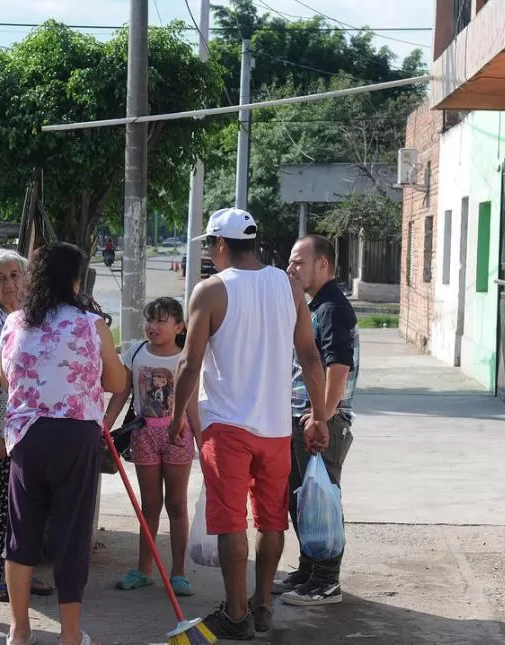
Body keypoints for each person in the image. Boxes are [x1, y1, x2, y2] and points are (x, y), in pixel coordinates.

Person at [168, 207, 329, 639]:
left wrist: (176, 417)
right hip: (276, 427)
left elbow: (189, 363)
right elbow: (310, 356)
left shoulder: (211, 291)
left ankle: (236, 614)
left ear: (221, 244)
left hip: (227, 427)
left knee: (232, 524)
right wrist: (318, 415)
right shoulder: (289, 286)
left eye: (210, 245)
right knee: (273, 520)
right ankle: (262, 607)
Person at [0, 242, 126, 645]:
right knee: (72, 535)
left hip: (26, 436)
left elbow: (8, 376)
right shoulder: (91, 324)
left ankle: (19, 632)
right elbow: (117, 383)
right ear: (76, 281)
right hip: (74, 435)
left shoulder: (15, 322)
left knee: (22, 533)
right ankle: (70, 636)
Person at [0, 248, 53, 602]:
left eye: (15, 276)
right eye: (0, 278)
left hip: (25, 429)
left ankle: (17, 573)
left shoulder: (24, 317)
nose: (10, 284)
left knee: (23, 506)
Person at [278, 234, 359, 607]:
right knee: (304, 498)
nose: (291, 268)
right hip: (308, 417)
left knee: (321, 500)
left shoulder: (331, 308)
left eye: (299, 262)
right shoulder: (317, 305)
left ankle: (327, 580)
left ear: (322, 265)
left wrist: (320, 418)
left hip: (323, 420)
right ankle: (309, 570)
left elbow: (338, 369)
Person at [104, 297, 201, 597]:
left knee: (177, 504)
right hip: (143, 436)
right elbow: (121, 393)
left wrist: (202, 440)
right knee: (149, 506)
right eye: (150, 320)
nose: (153, 326)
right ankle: (143, 570)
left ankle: (179, 573)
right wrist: (105, 424)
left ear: (179, 326)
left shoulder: (186, 358)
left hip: (178, 436)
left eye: (161, 320)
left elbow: (193, 405)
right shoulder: (135, 353)